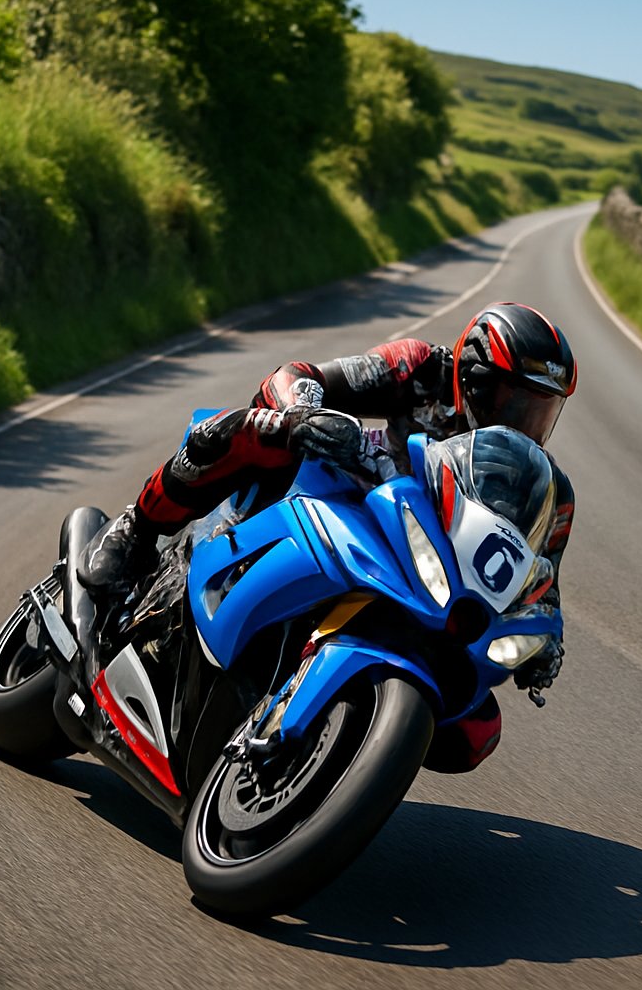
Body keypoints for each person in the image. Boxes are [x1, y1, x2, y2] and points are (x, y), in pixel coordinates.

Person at [79, 301, 577, 771]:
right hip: (342, 489)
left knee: (474, 733)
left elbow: (539, 579)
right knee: (266, 431)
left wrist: (543, 642)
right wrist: (307, 413)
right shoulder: (421, 368)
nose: (526, 426)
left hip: (417, 570)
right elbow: (299, 375)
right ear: (474, 379)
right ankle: (135, 531)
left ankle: (341, 733)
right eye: (516, 404)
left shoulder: (539, 485)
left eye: (542, 411)